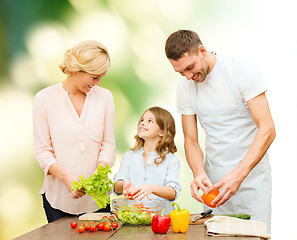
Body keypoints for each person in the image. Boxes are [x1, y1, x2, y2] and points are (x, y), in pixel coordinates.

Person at [165, 30, 275, 230]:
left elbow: (267, 129)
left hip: (252, 181)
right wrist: (198, 173)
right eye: (181, 72)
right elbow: (190, 140)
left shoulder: (240, 71)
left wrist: (238, 176)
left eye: (190, 67)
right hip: (214, 187)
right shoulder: (185, 88)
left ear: (203, 51)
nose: (188, 76)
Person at [33, 40, 116, 222]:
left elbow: (108, 145)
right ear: (77, 70)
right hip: (57, 201)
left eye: (101, 77)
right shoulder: (44, 98)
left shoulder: (105, 97)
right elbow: (42, 151)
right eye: (94, 77)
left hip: (97, 201)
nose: (98, 83)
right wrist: (67, 178)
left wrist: (98, 175)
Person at [113, 107, 181, 215]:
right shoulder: (129, 157)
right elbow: (117, 186)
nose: (143, 123)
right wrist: (124, 184)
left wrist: (152, 188)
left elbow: (173, 192)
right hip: (133, 217)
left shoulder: (171, 160)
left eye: (150, 121)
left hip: (161, 219)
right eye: (142, 120)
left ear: (162, 132)